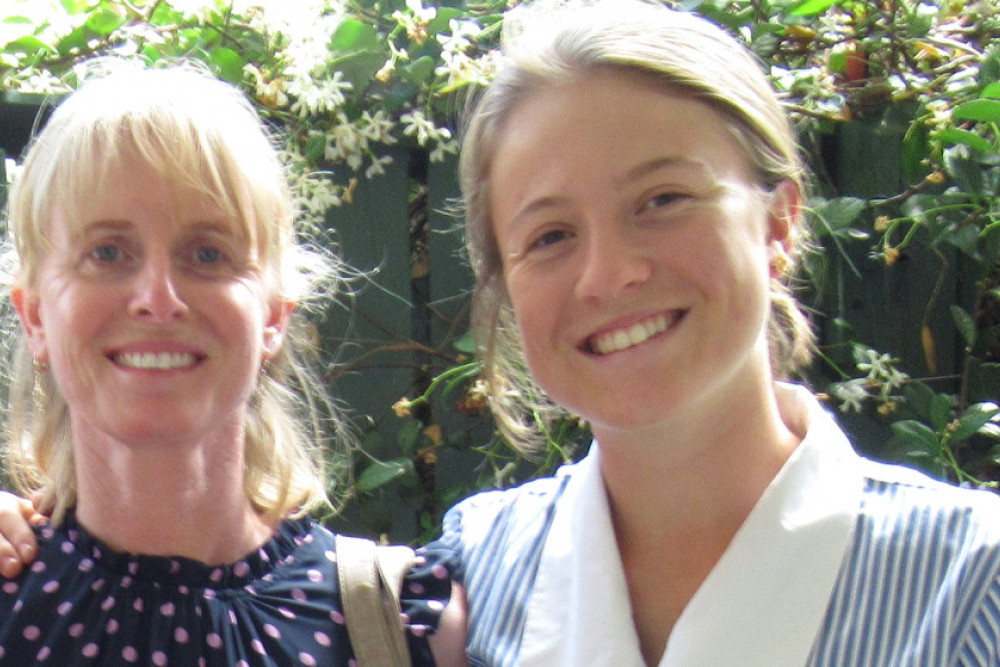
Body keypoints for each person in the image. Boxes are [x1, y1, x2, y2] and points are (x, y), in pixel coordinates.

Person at [428, 1, 1000, 665]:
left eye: (662, 200)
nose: (609, 275)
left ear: (778, 223)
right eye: (550, 236)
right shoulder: (469, 583)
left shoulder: (969, 588)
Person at [0, 61, 463, 665]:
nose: (158, 299)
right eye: (107, 251)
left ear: (273, 316)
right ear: (35, 316)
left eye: (207, 253)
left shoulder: (399, 624)